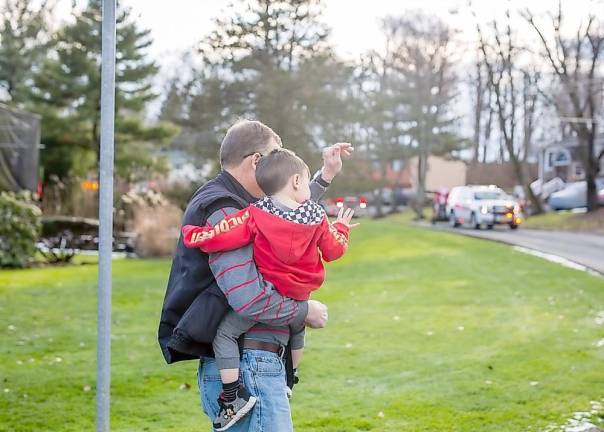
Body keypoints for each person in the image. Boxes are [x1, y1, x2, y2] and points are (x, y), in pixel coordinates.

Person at [158, 119, 352, 431]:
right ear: (257, 162)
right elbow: (246, 297)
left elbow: (291, 216)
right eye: (277, 157)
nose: (283, 173)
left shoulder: (249, 205)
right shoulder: (221, 207)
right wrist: (304, 311)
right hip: (249, 364)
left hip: (254, 362)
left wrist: (324, 177)